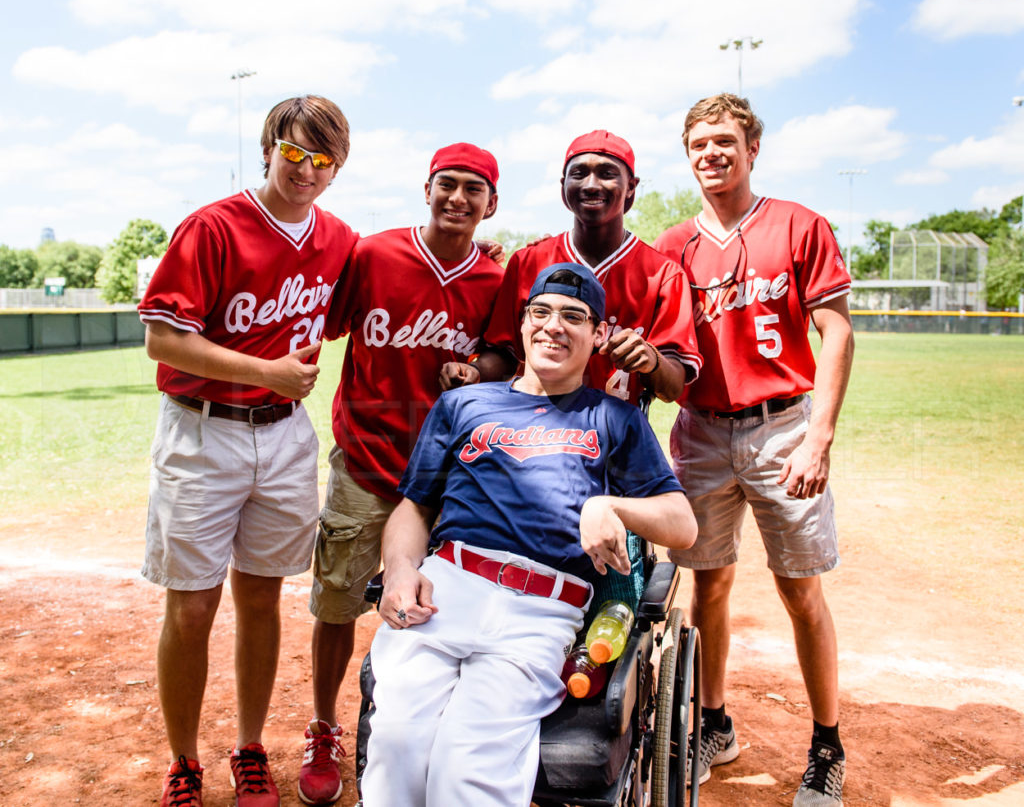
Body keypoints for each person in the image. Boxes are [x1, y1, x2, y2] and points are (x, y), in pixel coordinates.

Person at [360, 263, 697, 807]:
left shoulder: (614, 419)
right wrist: (401, 571)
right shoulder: (463, 405)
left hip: (540, 611)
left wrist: (608, 504)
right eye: (540, 313)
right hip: (447, 588)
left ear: (598, 334)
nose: (553, 326)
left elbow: (682, 525)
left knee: (467, 770)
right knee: (396, 749)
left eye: (573, 316)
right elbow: (413, 508)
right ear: (521, 325)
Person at [137, 96, 358, 807]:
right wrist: (264, 369)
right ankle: (183, 759)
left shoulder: (339, 240)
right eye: (295, 152)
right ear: (269, 147)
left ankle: (250, 746)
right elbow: (162, 339)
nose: (306, 169)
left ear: (337, 169)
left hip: (286, 435)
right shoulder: (213, 226)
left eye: (323, 160)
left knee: (261, 598)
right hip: (203, 432)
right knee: (193, 606)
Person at [654, 93, 855, 806]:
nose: (711, 152)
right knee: (707, 581)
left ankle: (826, 744)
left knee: (800, 588)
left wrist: (819, 435)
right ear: (688, 154)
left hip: (783, 427)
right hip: (701, 431)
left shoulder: (798, 224)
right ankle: (714, 723)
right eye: (699, 142)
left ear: (752, 148)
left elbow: (836, 330)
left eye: (724, 141)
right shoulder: (672, 244)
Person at [296, 144, 505, 805]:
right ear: (426, 188)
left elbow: (503, 356)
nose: (459, 198)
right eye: (448, 184)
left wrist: (478, 370)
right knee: (337, 602)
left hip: (449, 477)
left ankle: (422, 725)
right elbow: (318, 325)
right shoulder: (374, 254)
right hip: (366, 459)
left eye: (474, 189)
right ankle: (325, 726)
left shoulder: (494, 280)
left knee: (435, 608)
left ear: (491, 203)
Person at [441, 129, 702, 407]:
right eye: (579, 173)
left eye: (607, 173)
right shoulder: (528, 261)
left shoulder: (663, 274)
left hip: (617, 438)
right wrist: (477, 371)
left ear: (631, 188)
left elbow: (672, 388)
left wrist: (653, 361)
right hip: (534, 431)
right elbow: (506, 353)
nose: (591, 184)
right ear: (564, 187)